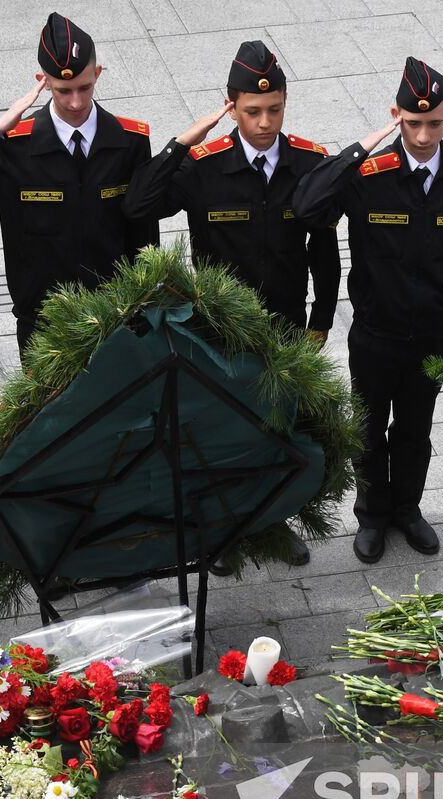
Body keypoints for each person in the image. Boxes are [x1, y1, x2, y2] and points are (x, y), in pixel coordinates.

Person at [123, 40, 340, 571]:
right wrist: (183, 141)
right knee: (218, 431)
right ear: (230, 106)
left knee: (278, 427)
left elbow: (326, 253)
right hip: (219, 331)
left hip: (286, 326)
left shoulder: (309, 164)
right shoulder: (204, 167)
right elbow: (138, 204)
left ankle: (275, 519)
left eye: (275, 109)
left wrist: (320, 325)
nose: (265, 123)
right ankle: (220, 529)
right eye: (251, 112)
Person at [293, 57, 443, 564]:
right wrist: (362, 147)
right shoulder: (367, 177)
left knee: (416, 429)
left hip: (432, 336)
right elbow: (309, 206)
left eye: (434, 123)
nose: (423, 135)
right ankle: (372, 514)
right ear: (395, 115)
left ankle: (407, 509)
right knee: (369, 428)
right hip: (376, 333)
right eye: (411, 122)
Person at [0, 12, 159, 355]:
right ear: (42, 82)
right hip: (44, 326)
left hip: (117, 320)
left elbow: (144, 233)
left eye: (84, 87)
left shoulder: (130, 141)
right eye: (63, 90)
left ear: (98, 74)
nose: (75, 102)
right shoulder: (12, 147)